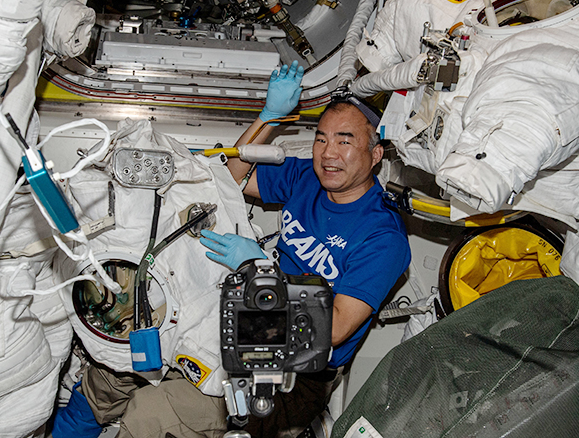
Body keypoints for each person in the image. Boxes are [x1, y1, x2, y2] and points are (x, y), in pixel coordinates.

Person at [69, 63, 410, 438]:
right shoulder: (307, 179)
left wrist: (258, 266)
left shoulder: (383, 238)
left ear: (376, 154)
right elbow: (231, 178)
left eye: (345, 141)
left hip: (293, 365)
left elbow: (335, 329)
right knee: (116, 366)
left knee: (151, 415)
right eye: (321, 138)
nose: (329, 154)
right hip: (241, 305)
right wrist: (271, 115)